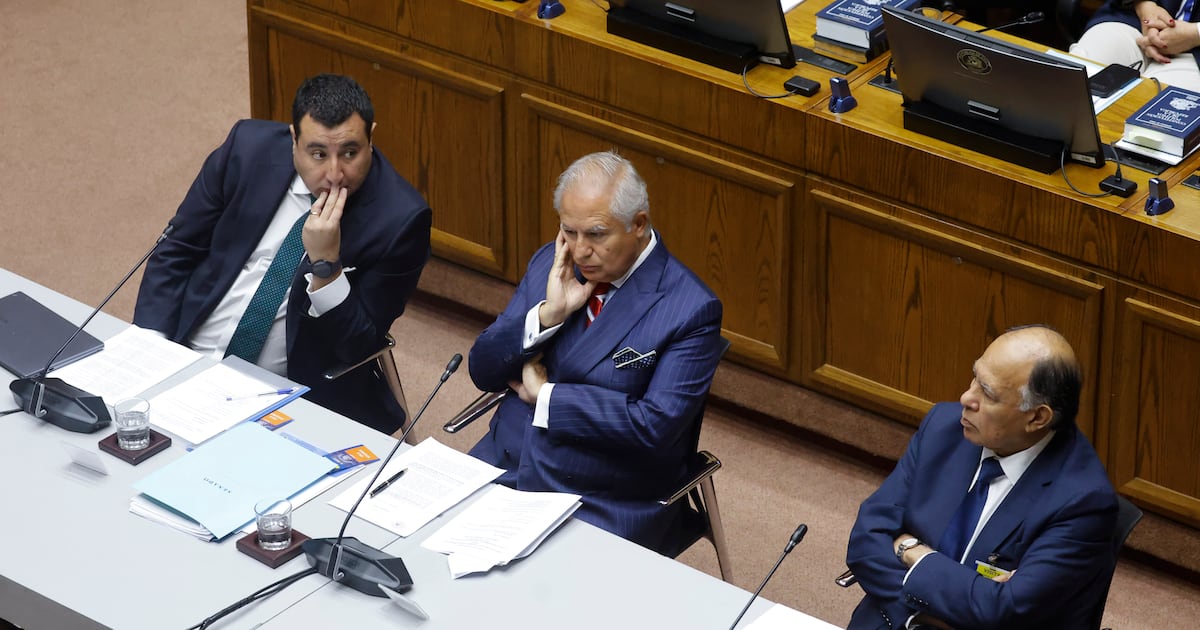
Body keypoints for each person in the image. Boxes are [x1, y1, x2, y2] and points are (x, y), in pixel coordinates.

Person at [133, 74, 431, 434]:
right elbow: (178, 248)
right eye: (318, 154)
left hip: (282, 398)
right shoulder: (247, 149)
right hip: (188, 357)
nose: (334, 173)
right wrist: (153, 349)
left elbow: (359, 345)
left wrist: (327, 269)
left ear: (371, 138)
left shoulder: (400, 219)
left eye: (350, 153)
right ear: (294, 140)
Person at [466, 151, 724, 553]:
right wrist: (548, 316)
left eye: (596, 235)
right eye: (569, 231)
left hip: (599, 495)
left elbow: (653, 426)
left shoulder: (690, 308)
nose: (580, 251)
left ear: (638, 224)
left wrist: (546, 397)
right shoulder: (552, 264)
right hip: (507, 463)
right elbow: (483, 370)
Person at [845, 325, 1118, 630]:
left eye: (987, 393)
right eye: (975, 377)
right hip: (890, 620)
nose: (966, 397)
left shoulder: (1083, 502)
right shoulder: (944, 428)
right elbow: (866, 540)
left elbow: (1003, 611)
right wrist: (918, 614)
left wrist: (909, 550)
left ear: (1037, 417)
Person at [1070, 0, 1200, 92]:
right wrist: (1145, 7)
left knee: (1156, 109)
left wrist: (1195, 33)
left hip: (1195, 48)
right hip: (1135, 14)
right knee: (1075, 78)